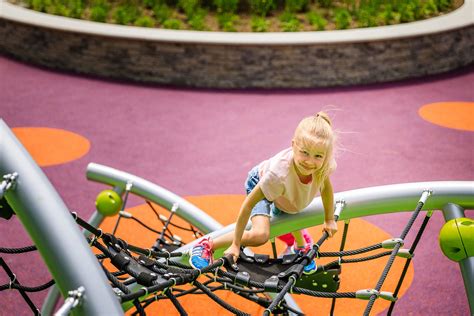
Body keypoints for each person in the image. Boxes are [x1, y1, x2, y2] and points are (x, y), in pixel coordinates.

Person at [190, 112, 338, 274]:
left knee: (293, 208)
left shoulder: (322, 165)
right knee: (260, 235)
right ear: (293, 145)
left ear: (326, 155)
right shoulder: (278, 175)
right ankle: (206, 245)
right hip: (260, 181)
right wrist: (236, 245)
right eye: (304, 153)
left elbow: (326, 188)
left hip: (285, 192)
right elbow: (248, 206)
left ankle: (300, 246)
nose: (310, 161)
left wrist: (329, 219)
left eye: (317, 156)